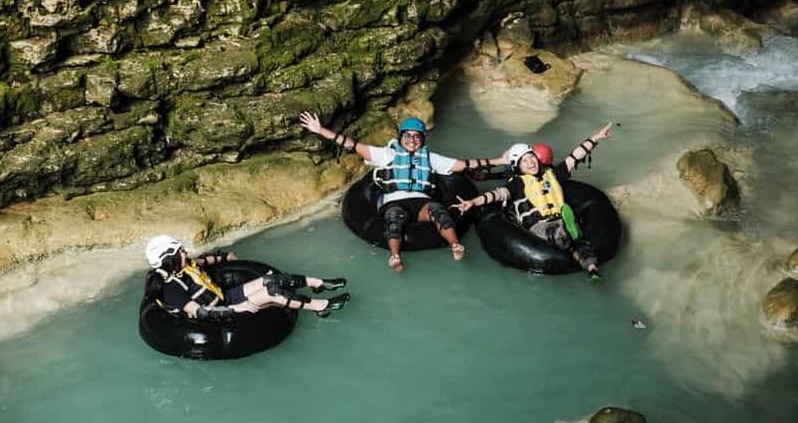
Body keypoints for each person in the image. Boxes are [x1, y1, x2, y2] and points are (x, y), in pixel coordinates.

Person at [299, 111, 506, 272]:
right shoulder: (386, 154)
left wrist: (499, 160)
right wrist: (320, 130)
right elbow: (351, 144)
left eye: (417, 137)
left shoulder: (431, 158)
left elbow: (464, 165)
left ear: (423, 140)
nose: (412, 140)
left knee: (439, 211)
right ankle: (395, 256)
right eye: (408, 136)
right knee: (395, 219)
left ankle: (455, 245)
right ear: (401, 137)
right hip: (394, 201)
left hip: (422, 202)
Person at [452, 123, 615, 282]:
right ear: (518, 167)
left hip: (559, 218)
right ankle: (568, 238)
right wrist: (473, 202)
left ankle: (591, 269)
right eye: (525, 161)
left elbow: (575, 156)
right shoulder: (517, 184)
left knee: (576, 240)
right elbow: (497, 195)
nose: (530, 162)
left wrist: (596, 138)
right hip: (539, 226)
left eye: (531, 158)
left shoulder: (553, 175)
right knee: (561, 234)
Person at [145, 235, 350, 319]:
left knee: (271, 280)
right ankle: (320, 307)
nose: (185, 253)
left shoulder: (186, 266)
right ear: (168, 259)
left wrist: (226, 257)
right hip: (219, 312)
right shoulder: (171, 288)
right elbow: (200, 312)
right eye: (179, 252)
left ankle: (318, 283)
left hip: (224, 297)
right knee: (272, 291)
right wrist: (236, 308)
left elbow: (205, 261)